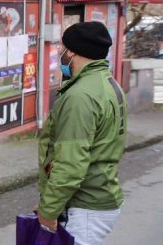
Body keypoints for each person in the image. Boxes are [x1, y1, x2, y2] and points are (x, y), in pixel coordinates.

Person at [37, 22, 127, 245]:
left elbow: (71, 163)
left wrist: (48, 210)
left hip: (85, 207)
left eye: (62, 47)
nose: (60, 52)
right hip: (100, 196)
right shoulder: (107, 84)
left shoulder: (80, 96)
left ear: (73, 52)